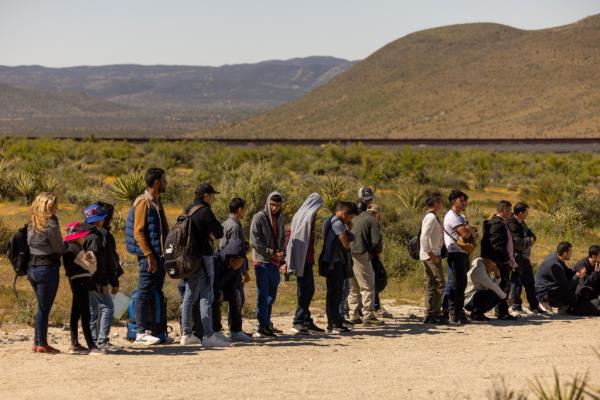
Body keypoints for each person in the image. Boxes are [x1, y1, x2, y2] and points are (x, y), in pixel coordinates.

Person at [180, 183, 229, 347]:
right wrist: (210, 234)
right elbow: (220, 232)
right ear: (206, 196)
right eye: (212, 195)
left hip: (188, 258)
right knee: (207, 295)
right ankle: (208, 335)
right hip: (204, 256)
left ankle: (186, 333)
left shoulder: (188, 209)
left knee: (189, 295)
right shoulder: (205, 210)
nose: (214, 198)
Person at [125, 167, 169, 346]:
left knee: (155, 292)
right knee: (144, 292)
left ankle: (157, 330)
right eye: (164, 180)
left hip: (159, 256)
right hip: (149, 257)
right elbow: (139, 232)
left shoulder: (156, 202)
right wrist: (149, 255)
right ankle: (140, 332)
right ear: (157, 182)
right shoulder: (144, 202)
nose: (166, 183)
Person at [27, 192, 66, 354]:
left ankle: (37, 342)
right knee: (44, 308)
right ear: (49, 206)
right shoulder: (50, 223)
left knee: (41, 307)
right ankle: (42, 343)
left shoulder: (32, 223)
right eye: (54, 205)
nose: (56, 208)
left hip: (32, 269)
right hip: (47, 269)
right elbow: (59, 248)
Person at [285, 193, 325, 335]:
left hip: (306, 258)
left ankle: (305, 319)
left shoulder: (305, 215)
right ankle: (298, 321)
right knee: (305, 289)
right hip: (302, 258)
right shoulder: (306, 216)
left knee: (308, 288)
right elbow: (294, 235)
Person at [83, 203, 119, 352]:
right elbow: (98, 263)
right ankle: (102, 340)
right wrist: (104, 282)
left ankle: (94, 340)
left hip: (86, 280)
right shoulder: (96, 238)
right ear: (98, 220)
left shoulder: (85, 235)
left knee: (93, 310)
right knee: (108, 307)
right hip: (97, 280)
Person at [62, 222, 102, 355]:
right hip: (81, 282)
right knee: (85, 313)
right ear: (77, 236)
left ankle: (75, 343)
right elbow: (92, 266)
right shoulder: (76, 249)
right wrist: (91, 257)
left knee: (76, 312)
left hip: (75, 281)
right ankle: (91, 345)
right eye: (82, 235)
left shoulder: (69, 248)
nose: (84, 238)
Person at [250, 192, 286, 338]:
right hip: (262, 261)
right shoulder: (259, 217)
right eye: (272, 204)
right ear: (267, 203)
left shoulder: (281, 218)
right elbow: (255, 241)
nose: (275, 208)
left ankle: (267, 323)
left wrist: (281, 257)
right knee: (263, 295)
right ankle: (262, 326)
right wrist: (271, 253)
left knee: (271, 296)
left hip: (275, 262)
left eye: (278, 205)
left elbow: (282, 238)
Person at [349, 192, 384, 326]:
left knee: (353, 286)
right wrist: (374, 253)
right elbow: (376, 242)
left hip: (349, 253)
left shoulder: (353, 218)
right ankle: (368, 315)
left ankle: (353, 314)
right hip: (362, 253)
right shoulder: (372, 220)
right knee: (368, 285)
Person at [321, 201, 356, 333]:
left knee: (336, 293)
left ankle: (336, 321)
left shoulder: (332, 220)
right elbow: (345, 243)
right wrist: (347, 232)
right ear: (345, 213)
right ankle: (333, 323)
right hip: (334, 264)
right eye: (350, 217)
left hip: (334, 263)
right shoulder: (337, 223)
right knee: (334, 294)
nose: (350, 219)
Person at [220, 197, 252, 339]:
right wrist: (243, 271)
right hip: (234, 268)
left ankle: (232, 328)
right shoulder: (235, 226)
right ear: (239, 209)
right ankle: (235, 330)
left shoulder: (225, 224)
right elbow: (237, 251)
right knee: (237, 297)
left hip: (224, 265)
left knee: (232, 296)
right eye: (244, 209)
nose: (245, 212)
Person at [480, 200, 517, 320]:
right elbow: (496, 245)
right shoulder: (497, 223)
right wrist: (503, 259)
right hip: (499, 261)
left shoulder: (500, 222)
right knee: (502, 285)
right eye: (510, 210)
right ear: (504, 210)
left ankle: (502, 310)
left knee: (503, 285)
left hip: (501, 261)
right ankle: (501, 311)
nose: (511, 213)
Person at [443, 190, 476, 324]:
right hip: (455, 253)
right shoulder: (452, 216)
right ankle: (451, 312)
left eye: (465, 201)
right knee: (455, 284)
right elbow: (466, 234)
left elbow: (473, 234)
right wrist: (469, 230)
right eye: (461, 200)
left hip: (462, 253)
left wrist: (470, 230)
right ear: (453, 201)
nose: (464, 203)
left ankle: (457, 311)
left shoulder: (461, 217)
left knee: (461, 283)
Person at [212, 238, 252, 342]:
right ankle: (215, 331)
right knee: (217, 294)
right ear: (232, 258)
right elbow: (215, 284)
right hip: (211, 291)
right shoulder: (217, 260)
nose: (242, 261)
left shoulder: (236, 261)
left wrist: (233, 269)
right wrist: (231, 269)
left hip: (223, 288)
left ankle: (236, 331)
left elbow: (233, 285)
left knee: (236, 294)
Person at [507, 203, 543, 314]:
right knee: (516, 282)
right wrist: (529, 241)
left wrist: (531, 238)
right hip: (517, 257)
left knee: (529, 282)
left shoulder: (521, 222)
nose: (528, 214)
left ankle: (534, 306)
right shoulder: (512, 223)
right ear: (521, 213)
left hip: (524, 257)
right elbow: (517, 242)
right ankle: (516, 306)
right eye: (526, 212)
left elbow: (531, 233)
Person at [419, 192, 446, 324]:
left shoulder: (432, 217)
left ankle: (430, 313)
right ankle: (434, 312)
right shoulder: (430, 217)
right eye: (441, 202)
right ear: (435, 204)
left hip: (432, 254)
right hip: (431, 256)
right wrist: (431, 255)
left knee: (431, 284)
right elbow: (423, 237)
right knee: (439, 283)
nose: (442, 205)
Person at [535, 242, 578, 313]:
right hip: (543, 293)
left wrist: (576, 271)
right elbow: (566, 287)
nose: (571, 254)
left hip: (543, 288)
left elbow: (566, 272)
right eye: (570, 252)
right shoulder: (556, 266)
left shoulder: (554, 257)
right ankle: (545, 303)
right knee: (572, 297)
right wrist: (577, 276)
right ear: (564, 253)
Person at [367, 203, 393, 319]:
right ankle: (375, 307)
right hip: (370, 257)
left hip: (369, 256)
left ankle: (375, 306)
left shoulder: (368, 222)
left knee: (373, 282)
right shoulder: (372, 224)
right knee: (374, 281)